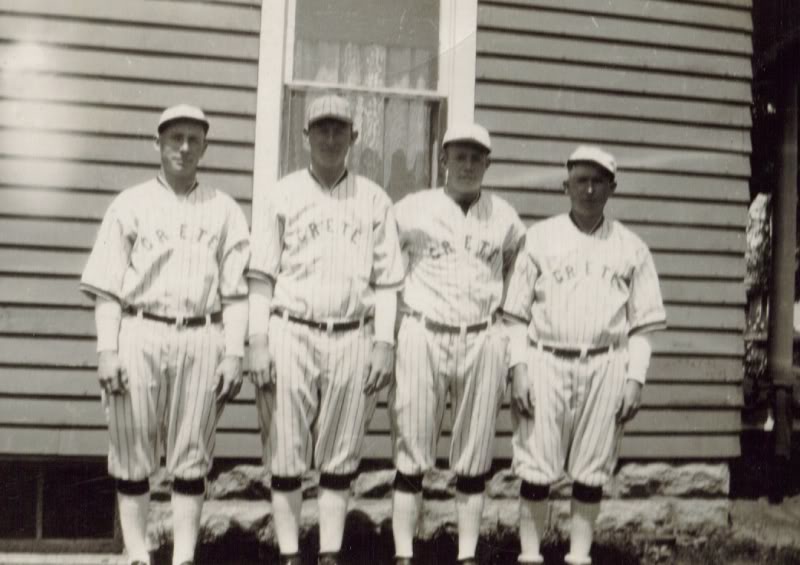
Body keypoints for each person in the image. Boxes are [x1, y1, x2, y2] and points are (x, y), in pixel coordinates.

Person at [80, 104, 250, 565]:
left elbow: (236, 295)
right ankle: (138, 555)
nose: (184, 147)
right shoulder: (130, 203)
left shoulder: (224, 209)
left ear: (205, 148)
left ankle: (184, 557)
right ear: (157, 143)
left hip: (200, 334)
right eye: (175, 137)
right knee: (132, 451)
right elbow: (107, 289)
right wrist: (106, 350)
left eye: (194, 139)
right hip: (139, 330)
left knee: (191, 455)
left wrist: (234, 353)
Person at [247, 93, 404, 565]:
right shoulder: (281, 194)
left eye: (339, 129)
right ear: (305, 136)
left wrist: (385, 342)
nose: (330, 138)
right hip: (290, 331)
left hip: (353, 335)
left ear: (354, 137)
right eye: (321, 129)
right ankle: (291, 555)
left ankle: (330, 554)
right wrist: (256, 339)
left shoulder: (374, 199)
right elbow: (260, 276)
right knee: (286, 456)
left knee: (340, 458)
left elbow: (389, 282)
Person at [503, 145, 667, 565]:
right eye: (581, 180)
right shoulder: (538, 239)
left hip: (605, 363)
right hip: (545, 361)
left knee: (591, 469)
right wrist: (518, 368)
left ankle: (579, 556)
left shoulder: (632, 247)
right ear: (566, 185)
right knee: (536, 468)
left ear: (613, 187)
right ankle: (530, 555)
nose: (589, 189)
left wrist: (636, 379)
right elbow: (516, 316)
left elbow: (643, 326)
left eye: (598, 181)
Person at [389, 123, 526, 565]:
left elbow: (516, 279)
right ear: (442, 159)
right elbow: (388, 273)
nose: (467, 165)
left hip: (482, 335)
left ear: (487, 163)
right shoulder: (411, 209)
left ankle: (466, 556)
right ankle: (404, 554)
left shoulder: (504, 217)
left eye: (476, 157)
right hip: (422, 331)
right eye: (459, 156)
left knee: (473, 454)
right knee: (411, 450)